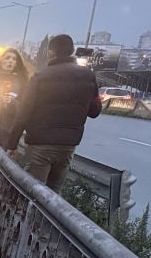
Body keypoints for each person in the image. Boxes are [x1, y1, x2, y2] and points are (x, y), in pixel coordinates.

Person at [6, 34, 101, 191]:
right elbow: (95, 110)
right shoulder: (88, 76)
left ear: (51, 52)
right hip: (68, 146)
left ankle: (31, 216)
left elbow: (23, 113)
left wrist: (12, 144)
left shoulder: (39, 77)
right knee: (54, 197)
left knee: (34, 193)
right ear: (72, 51)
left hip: (40, 146)